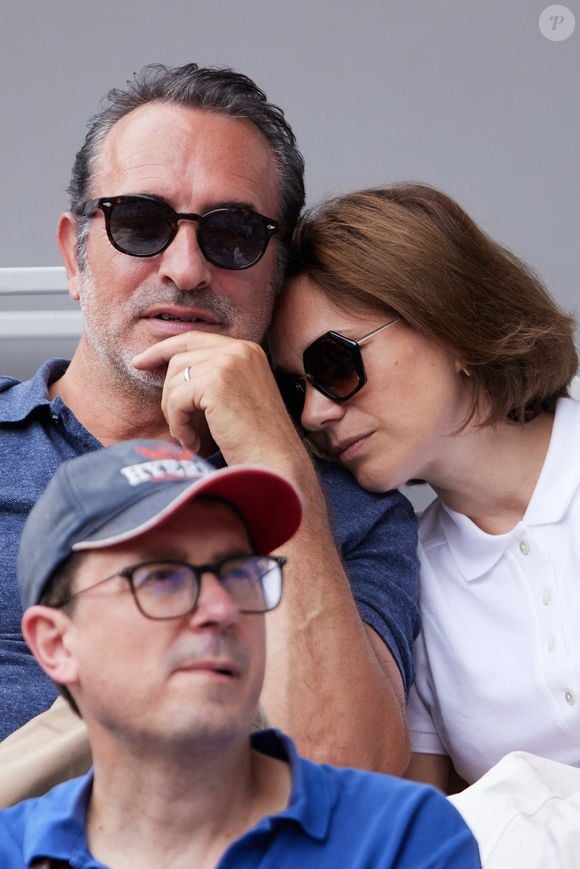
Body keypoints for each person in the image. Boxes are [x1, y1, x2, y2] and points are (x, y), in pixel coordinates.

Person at [0, 63, 419, 778]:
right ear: (75, 255)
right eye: (140, 223)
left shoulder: (357, 510)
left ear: (277, 271)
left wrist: (272, 456)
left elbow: (352, 786)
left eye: (232, 235)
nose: (187, 268)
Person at [0, 440, 480, 868]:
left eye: (239, 573)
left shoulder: (399, 838)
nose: (221, 608)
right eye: (161, 578)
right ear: (56, 644)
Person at [268, 182, 579, 792]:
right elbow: (416, 828)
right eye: (294, 389)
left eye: (334, 364)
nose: (314, 415)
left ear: (449, 321)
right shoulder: (408, 576)